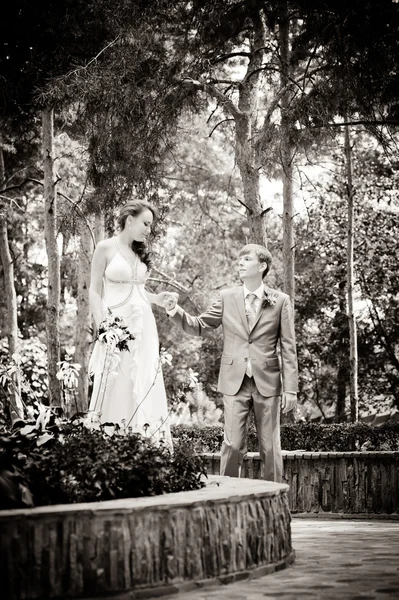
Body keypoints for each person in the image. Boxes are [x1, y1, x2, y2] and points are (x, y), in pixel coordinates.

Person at [164, 244, 298, 482]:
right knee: (233, 445)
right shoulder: (227, 298)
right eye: (239, 259)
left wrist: (291, 389)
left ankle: (272, 501)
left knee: (270, 447)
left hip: (268, 382)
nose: (241, 263)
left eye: (247, 259)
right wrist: (174, 310)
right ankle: (229, 497)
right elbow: (199, 325)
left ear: (262, 266)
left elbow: (288, 347)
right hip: (234, 381)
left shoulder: (280, 301)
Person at [88, 200, 173, 445]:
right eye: (146, 223)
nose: (149, 229)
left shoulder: (139, 253)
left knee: (144, 379)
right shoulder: (105, 248)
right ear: (129, 220)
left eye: (151, 225)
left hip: (144, 325)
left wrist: (158, 298)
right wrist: (103, 326)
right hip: (115, 326)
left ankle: (145, 444)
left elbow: (140, 291)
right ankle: (108, 443)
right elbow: (94, 291)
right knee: (115, 380)